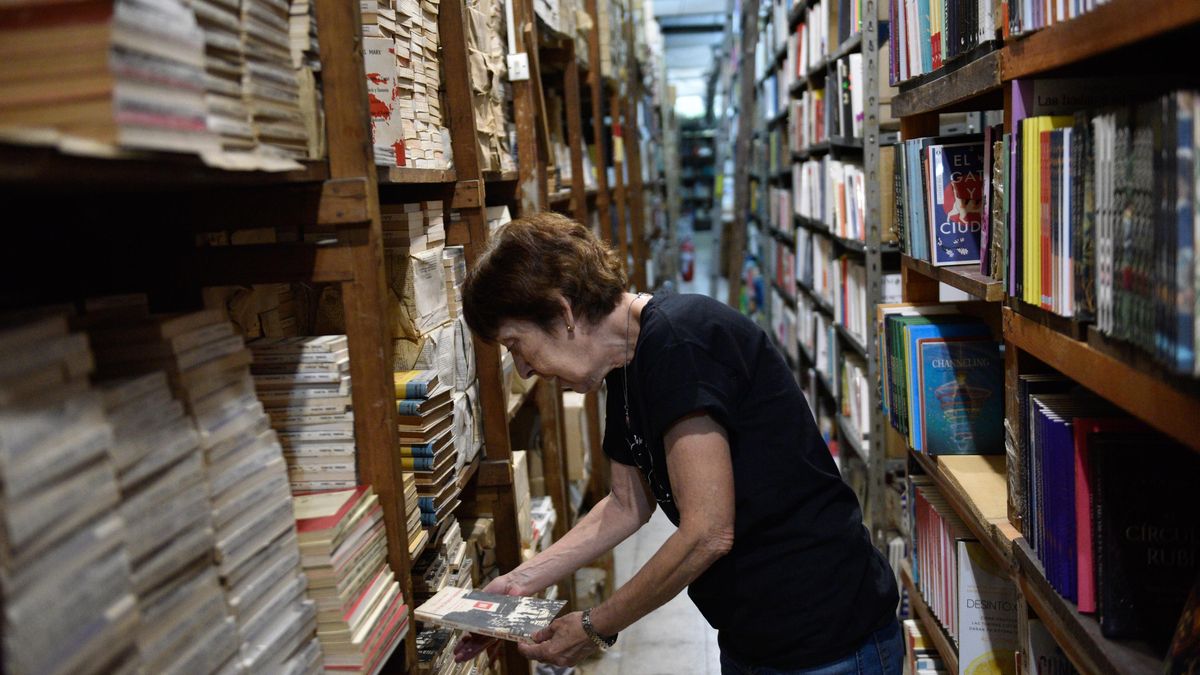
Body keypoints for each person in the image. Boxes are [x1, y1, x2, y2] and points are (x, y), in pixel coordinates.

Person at [454, 212, 901, 674]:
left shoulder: (680, 343)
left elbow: (708, 532)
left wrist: (595, 625)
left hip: (825, 638)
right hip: (757, 634)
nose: (524, 369)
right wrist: (520, 582)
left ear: (562, 312)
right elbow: (627, 503)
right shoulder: (625, 366)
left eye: (515, 344)